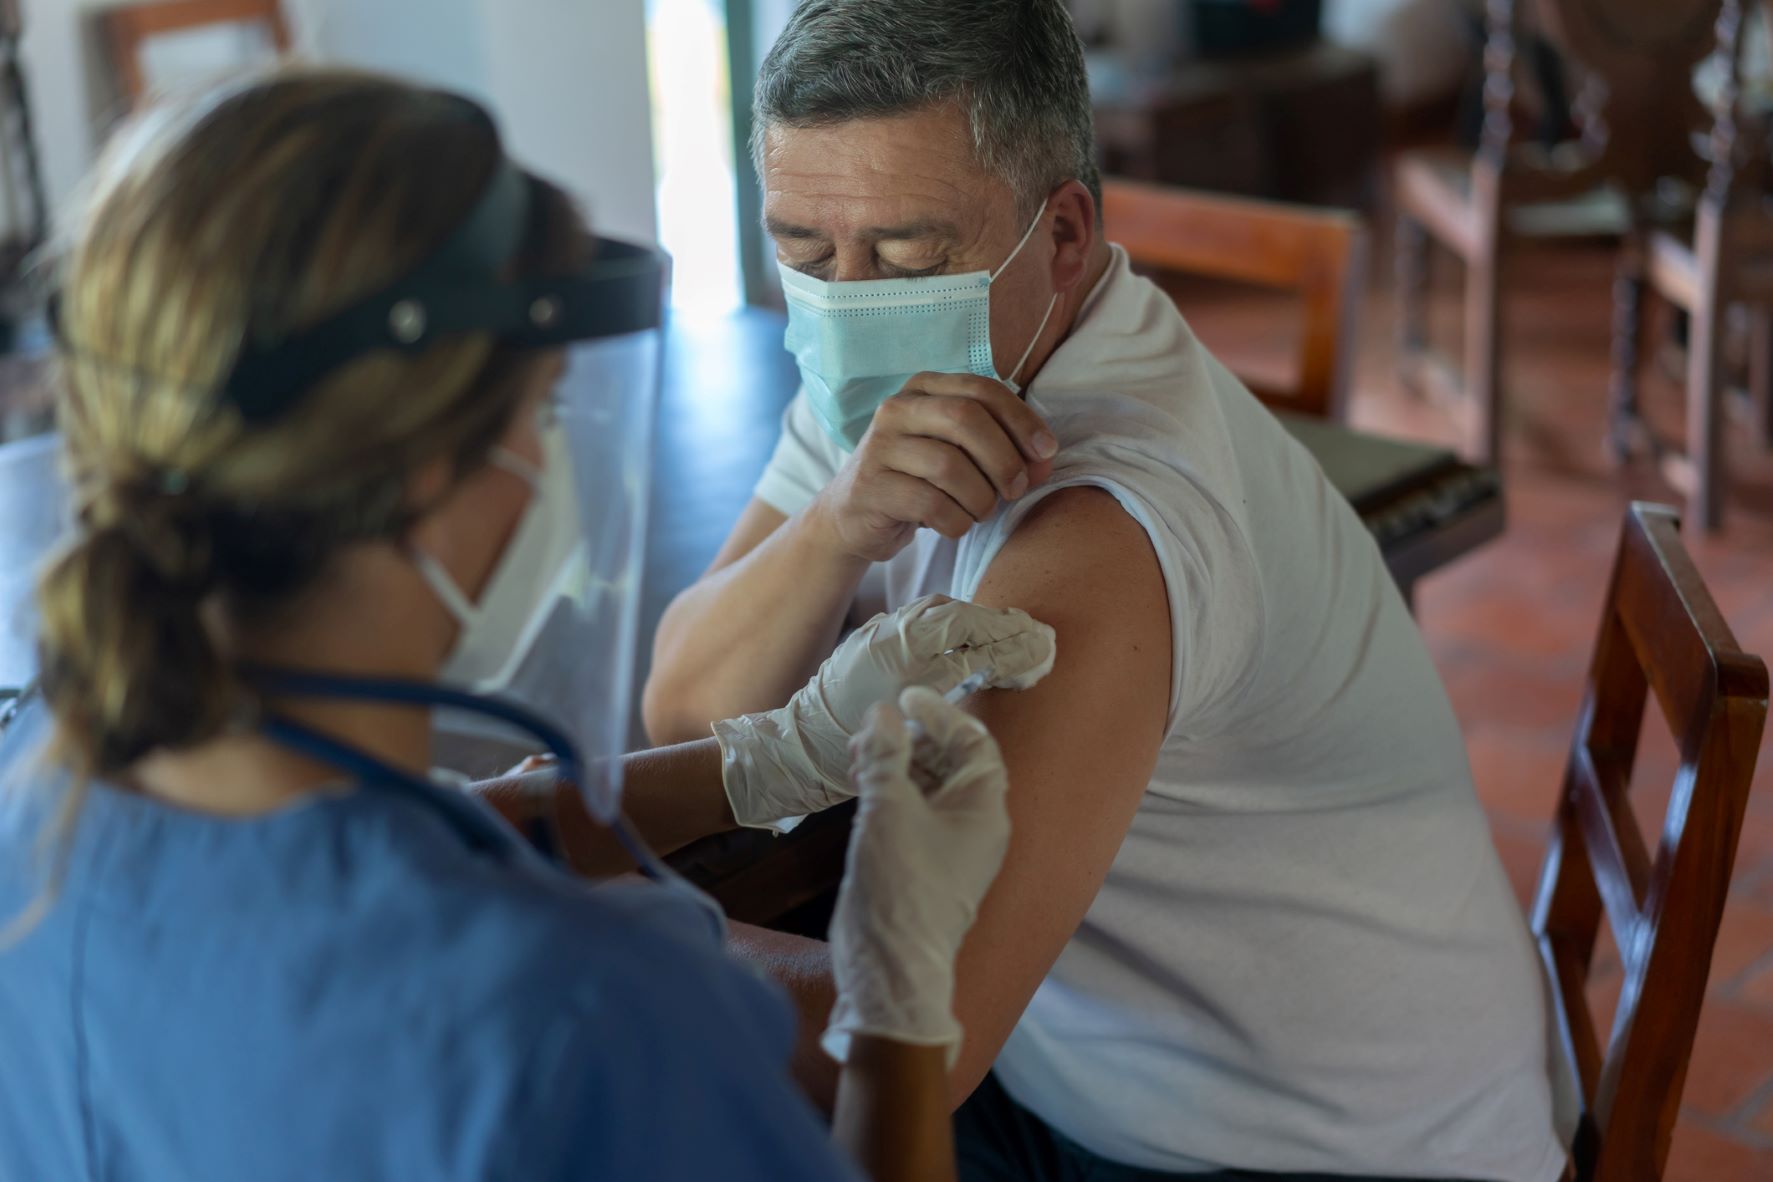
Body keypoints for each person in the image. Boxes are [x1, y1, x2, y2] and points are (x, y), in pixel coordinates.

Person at [0, 70, 1060, 1182]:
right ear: (417, 472)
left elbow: (386, 842)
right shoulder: (579, 1023)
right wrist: (897, 1006)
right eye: (544, 409)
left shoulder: (42, 784)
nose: (553, 461)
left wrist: (763, 762)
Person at [644, 1, 1567, 1179]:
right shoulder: (897, 380)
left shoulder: (1111, 519)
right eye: (804, 255)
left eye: (908, 256)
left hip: (1306, 1142)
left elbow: (910, 1047)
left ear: (1064, 235)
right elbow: (682, 712)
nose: (846, 302)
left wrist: (601, 916)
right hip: (1089, 1067)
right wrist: (835, 526)